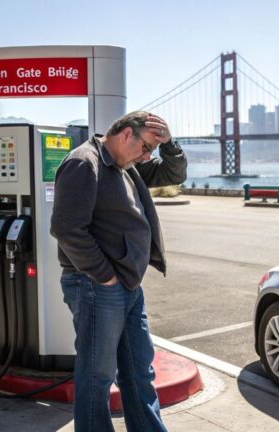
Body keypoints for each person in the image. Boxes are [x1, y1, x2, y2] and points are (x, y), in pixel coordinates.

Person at [50, 111, 187, 432]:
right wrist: (104, 275)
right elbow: (67, 228)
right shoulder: (85, 163)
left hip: (126, 286)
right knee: (97, 376)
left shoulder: (127, 165)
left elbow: (173, 173)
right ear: (126, 135)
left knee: (139, 371)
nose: (147, 156)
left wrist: (169, 143)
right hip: (96, 285)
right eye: (145, 148)